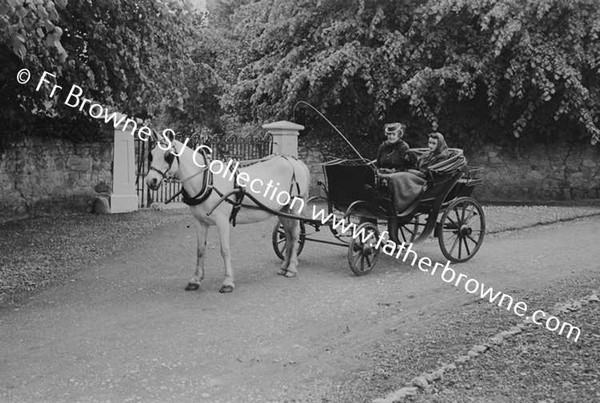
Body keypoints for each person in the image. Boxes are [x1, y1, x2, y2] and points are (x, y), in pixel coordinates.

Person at [384, 132, 450, 214]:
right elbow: (418, 164)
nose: (431, 146)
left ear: (439, 144)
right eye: (430, 143)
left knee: (401, 177)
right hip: (419, 175)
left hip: (426, 180)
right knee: (400, 175)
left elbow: (433, 172)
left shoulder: (442, 157)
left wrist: (417, 172)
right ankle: (393, 199)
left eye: (434, 143)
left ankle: (399, 205)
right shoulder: (428, 154)